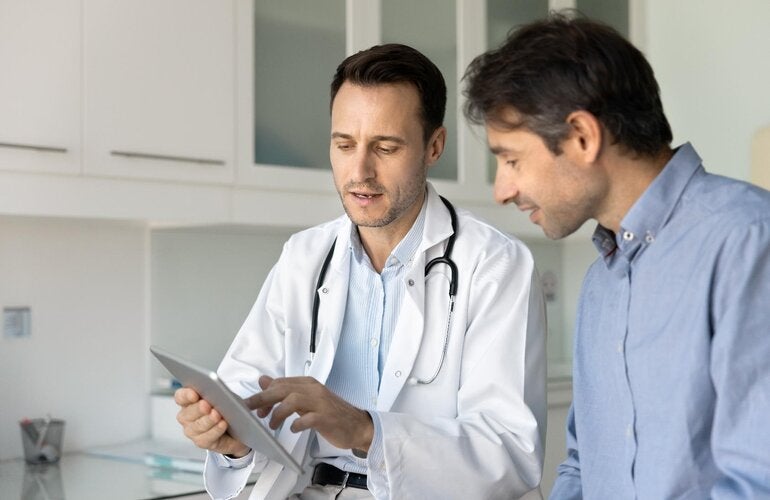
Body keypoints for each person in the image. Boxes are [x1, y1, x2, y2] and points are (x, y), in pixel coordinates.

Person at [175, 43, 547, 500]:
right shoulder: (304, 256)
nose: (360, 171)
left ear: (434, 146)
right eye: (344, 145)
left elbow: (509, 452)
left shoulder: (493, 265)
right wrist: (229, 438)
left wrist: (366, 430)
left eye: (386, 147)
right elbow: (247, 391)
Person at [464, 13, 770, 499]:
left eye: (511, 159)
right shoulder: (601, 286)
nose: (503, 189)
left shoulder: (749, 242)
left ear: (583, 137)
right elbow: (583, 467)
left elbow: (758, 482)